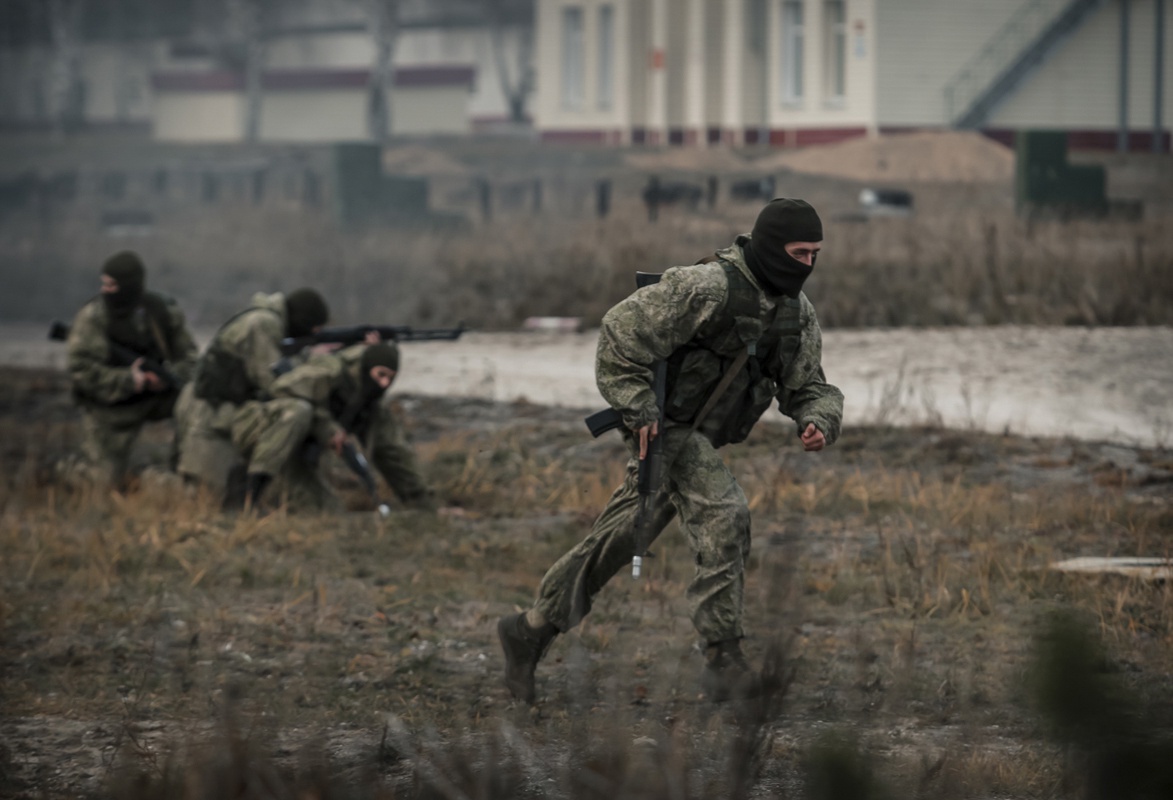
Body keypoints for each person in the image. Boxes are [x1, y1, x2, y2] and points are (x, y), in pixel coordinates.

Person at [497, 198, 845, 704]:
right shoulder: (705, 287)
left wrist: (818, 420)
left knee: (622, 534)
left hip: (697, 432)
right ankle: (723, 657)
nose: (807, 265)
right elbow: (620, 333)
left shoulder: (795, 311)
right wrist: (639, 407)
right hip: (664, 426)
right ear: (772, 247)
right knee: (725, 513)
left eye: (815, 254)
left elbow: (808, 383)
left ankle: (530, 629)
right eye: (799, 252)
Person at [230, 340, 435, 513]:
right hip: (256, 427)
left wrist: (424, 504)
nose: (384, 384)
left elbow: (393, 452)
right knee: (299, 409)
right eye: (380, 374)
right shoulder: (328, 371)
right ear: (367, 368)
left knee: (329, 511)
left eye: (390, 378)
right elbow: (281, 390)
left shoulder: (370, 405)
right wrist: (327, 427)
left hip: (294, 455)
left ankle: (264, 496)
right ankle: (250, 497)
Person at [173, 287, 330, 502]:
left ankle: (251, 493)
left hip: (230, 412)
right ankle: (143, 479)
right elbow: (275, 383)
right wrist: (320, 366)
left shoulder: (269, 323)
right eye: (314, 330)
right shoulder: (263, 324)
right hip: (209, 415)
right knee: (200, 498)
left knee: (215, 498)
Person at [64, 250, 199, 488]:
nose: (105, 290)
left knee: (196, 400)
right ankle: (64, 470)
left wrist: (167, 378)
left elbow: (190, 359)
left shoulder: (162, 311)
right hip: (109, 405)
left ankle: (184, 470)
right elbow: (80, 369)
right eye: (103, 284)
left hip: (156, 397)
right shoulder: (93, 317)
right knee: (102, 483)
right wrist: (128, 379)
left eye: (112, 285)